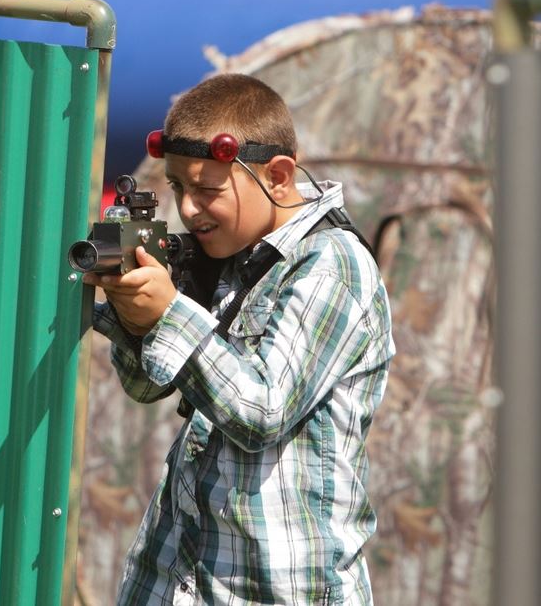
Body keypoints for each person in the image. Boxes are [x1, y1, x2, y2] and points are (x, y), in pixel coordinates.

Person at [84, 73, 394, 605]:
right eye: (178, 187)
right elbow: (145, 386)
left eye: (208, 190)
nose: (188, 209)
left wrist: (169, 312)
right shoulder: (229, 257)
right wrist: (137, 321)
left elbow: (262, 410)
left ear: (277, 176)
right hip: (175, 578)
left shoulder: (331, 265)